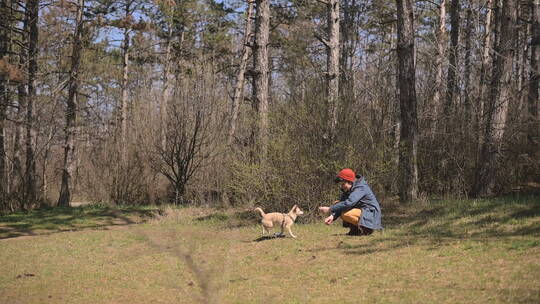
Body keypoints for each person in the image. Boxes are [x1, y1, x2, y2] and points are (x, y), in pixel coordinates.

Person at [319, 168, 382, 235]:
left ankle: (366, 230)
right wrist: (332, 216)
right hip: (364, 212)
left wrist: (330, 209)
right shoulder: (349, 189)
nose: (341, 186)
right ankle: (355, 231)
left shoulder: (361, 187)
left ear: (350, 181)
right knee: (337, 204)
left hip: (371, 214)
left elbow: (348, 203)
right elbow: (341, 204)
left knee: (345, 213)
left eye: (343, 184)